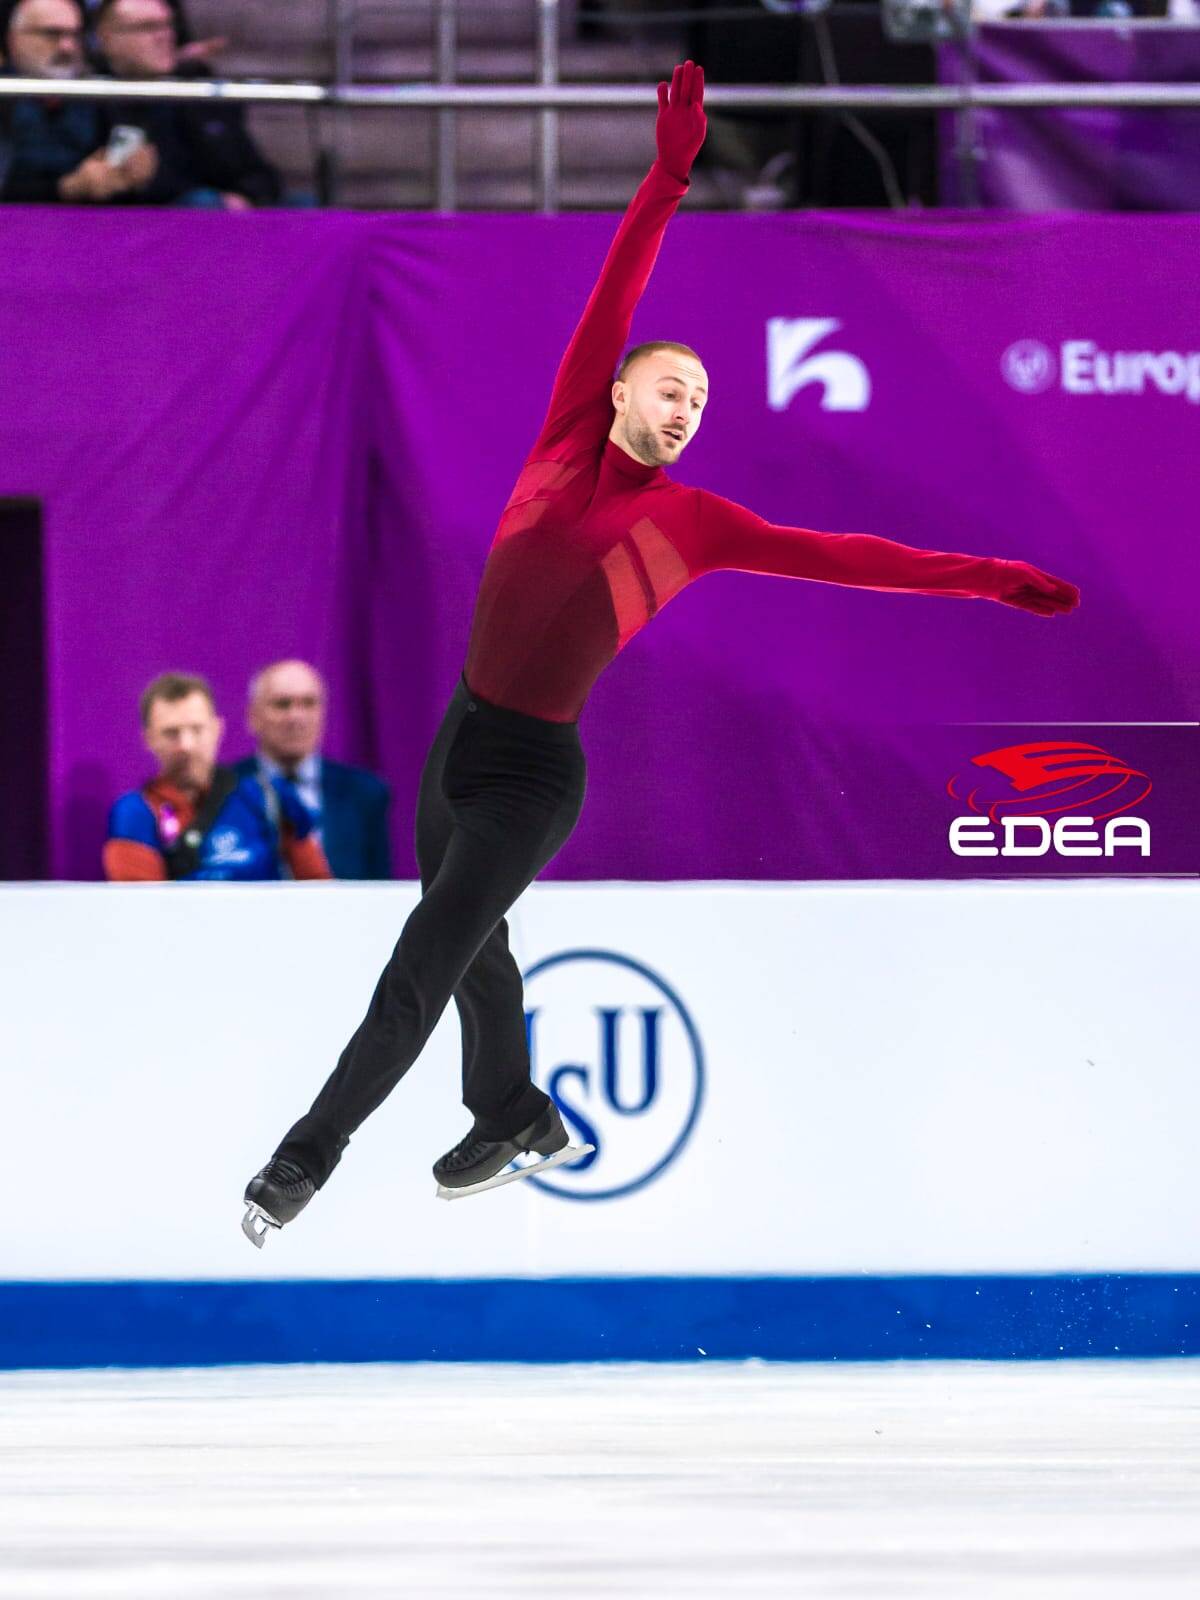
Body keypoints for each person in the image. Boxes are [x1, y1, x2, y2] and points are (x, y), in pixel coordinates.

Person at [242, 61, 1080, 1244]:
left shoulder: (693, 525)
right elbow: (619, 280)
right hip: (458, 739)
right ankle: (514, 1114)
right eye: (672, 387)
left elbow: (846, 554)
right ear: (623, 389)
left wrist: (988, 577)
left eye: (701, 401)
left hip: (532, 774)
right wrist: (670, 172)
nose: (686, 409)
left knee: (422, 965)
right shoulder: (567, 437)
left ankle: (299, 1163)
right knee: (476, 953)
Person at [105, 672, 332, 882]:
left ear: (217, 729)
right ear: (148, 739)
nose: (186, 745)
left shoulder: (268, 797)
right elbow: (141, 910)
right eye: (171, 733)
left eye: (197, 729)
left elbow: (319, 890)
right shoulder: (136, 812)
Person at [94, 0, 280, 209]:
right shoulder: (89, 97)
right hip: (149, 223)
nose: (164, 36)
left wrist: (245, 198)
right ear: (107, 37)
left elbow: (257, 172)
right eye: (147, 27)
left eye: (168, 25)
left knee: (307, 205)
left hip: (229, 216)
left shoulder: (197, 87)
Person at [235, 660, 393, 882]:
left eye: (308, 703)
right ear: (252, 716)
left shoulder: (364, 793)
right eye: (282, 704)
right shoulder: (224, 788)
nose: (296, 717)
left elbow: (378, 886)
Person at [0, 0, 155, 202]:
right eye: (51, 34)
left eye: (75, 35)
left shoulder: (101, 94)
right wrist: (66, 188)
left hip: (92, 222)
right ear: (14, 39)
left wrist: (129, 174)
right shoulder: (6, 94)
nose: (67, 47)